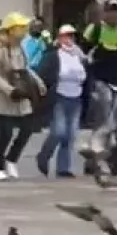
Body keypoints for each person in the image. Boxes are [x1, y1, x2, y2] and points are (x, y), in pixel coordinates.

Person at [0, 12, 46, 181]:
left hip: (21, 96)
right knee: (5, 133)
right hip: (3, 98)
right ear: (11, 29)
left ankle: (11, 159)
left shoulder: (19, 47)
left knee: (27, 128)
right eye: (20, 27)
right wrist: (7, 89)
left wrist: (38, 82)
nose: (24, 30)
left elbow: (25, 68)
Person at [81, 0, 117, 157]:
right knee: (106, 110)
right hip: (99, 79)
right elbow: (83, 52)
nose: (112, 14)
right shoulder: (95, 30)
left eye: (115, 11)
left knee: (111, 118)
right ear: (104, 13)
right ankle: (106, 146)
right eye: (109, 11)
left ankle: (106, 153)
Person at [35, 25, 87, 178]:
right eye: (66, 35)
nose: (69, 39)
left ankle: (63, 168)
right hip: (59, 97)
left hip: (76, 98)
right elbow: (41, 75)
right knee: (59, 131)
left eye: (72, 36)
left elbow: (85, 77)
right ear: (59, 37)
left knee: (70, 135)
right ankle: (44, 155)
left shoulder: (78, 56)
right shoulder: (53, 55)